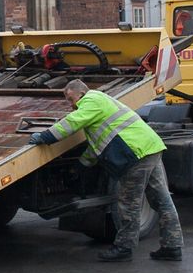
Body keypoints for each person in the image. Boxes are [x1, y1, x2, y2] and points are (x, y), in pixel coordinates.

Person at [29, 79, 183, 262]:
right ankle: (172, 246)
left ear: (81, 93)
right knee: (161, 199)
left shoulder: (91, 100)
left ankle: (124, 248)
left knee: (128, 204)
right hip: (149, 148)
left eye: (71, 99)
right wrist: (81, 166)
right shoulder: (101, 102)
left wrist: (45, 136)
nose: (71, 105)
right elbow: (97, 146)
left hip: (135, 154)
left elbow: (72, 123)